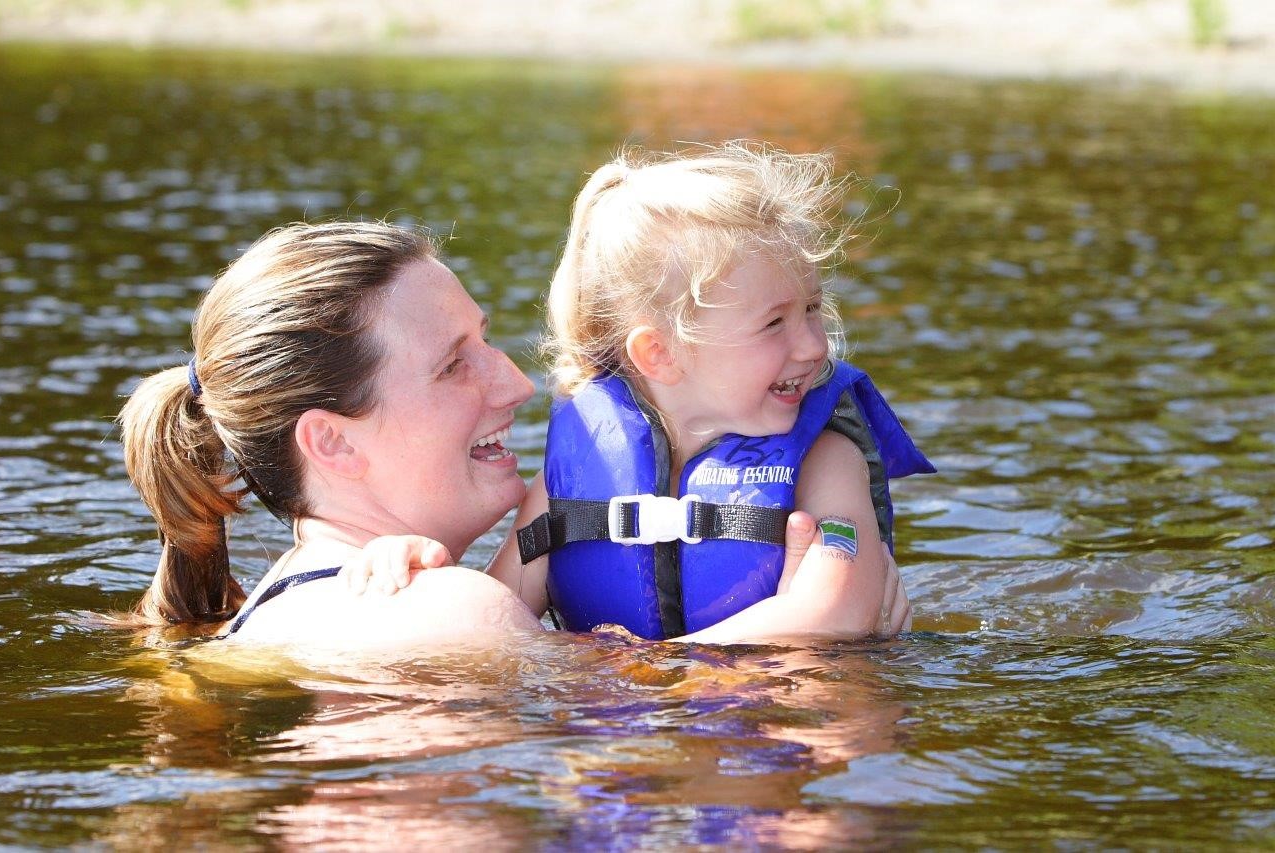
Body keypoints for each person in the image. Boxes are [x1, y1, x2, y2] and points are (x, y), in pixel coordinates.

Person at [116, 219, 832, 657]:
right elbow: (656, 730)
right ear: (332, 443)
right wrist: (821, 635)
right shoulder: (442, 615)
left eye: (485, 341)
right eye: (455, 364)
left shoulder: (290, 610)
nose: (517, 385)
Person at [356, 144, 931, 644]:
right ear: (659, 353)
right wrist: (421, 563)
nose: (813, 347)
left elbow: (839, 612)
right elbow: (498, 618)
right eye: (773, 324)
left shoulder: (827, 462)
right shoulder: (568, 483)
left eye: (811, 310)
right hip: (617, 748)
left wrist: (658, 672)